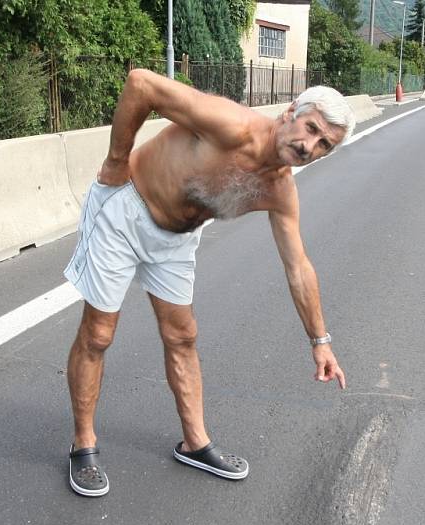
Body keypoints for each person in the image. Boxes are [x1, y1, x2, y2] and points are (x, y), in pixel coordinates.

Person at [63, 69, 354, 497]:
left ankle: (195, 443)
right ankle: (83, 444)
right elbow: (140, 84)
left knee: (182, 336)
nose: (309, 146)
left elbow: (298, 267)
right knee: (99, 333)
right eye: (311, 129)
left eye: (324, 144)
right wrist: (115, 161)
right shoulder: (231, 126)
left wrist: (321, 342)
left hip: (176, 240)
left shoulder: (279, 190)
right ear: (292, 112)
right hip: (125, 212)